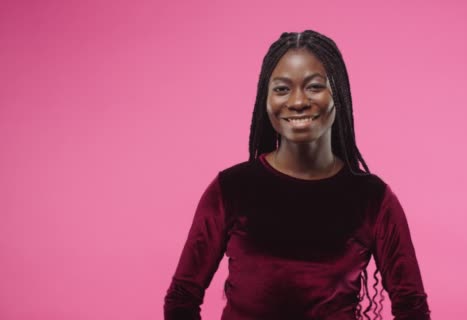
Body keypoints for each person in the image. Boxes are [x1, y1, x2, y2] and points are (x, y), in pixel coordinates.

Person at [163, 30, 431, 320]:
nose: (298, 101)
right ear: (265, 100)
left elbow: (412, 308)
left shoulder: (373, 199)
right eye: (281, 89)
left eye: (314, 87)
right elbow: (181, 299)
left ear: (337, 93)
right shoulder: (230, 190)